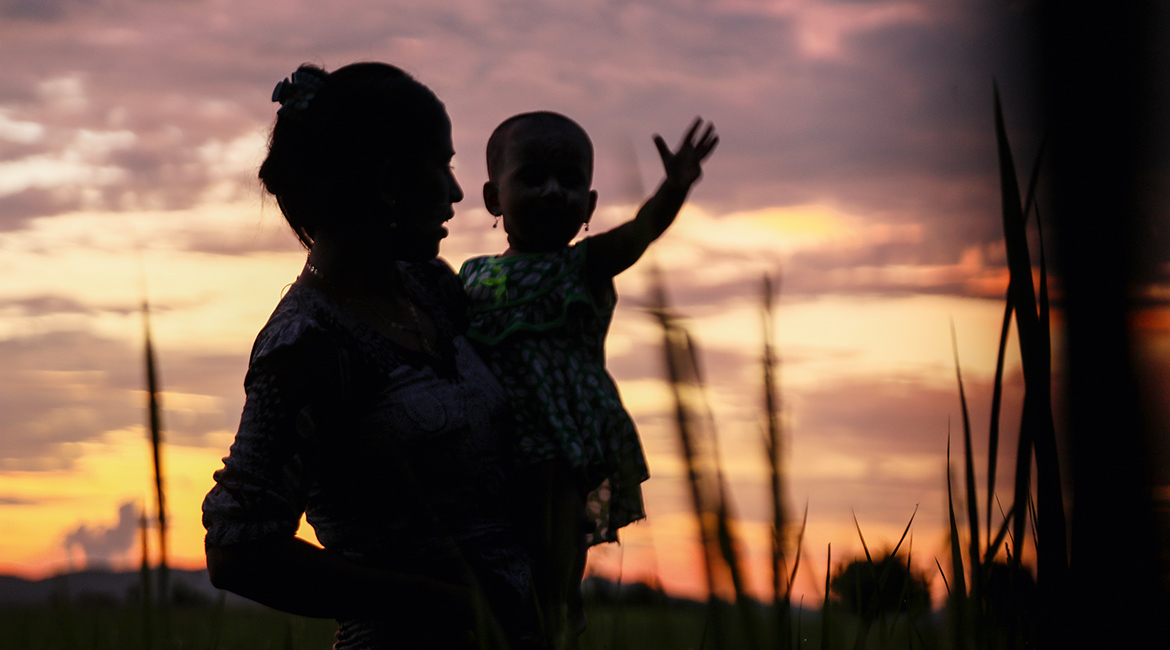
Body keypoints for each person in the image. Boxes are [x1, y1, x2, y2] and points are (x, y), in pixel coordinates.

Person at [202, 63, 542, 649]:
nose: (458, 191)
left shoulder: (432, 290)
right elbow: (239, 551)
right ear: (388, 180)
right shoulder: (307, 343)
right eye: (443, 165)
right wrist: (451, 606)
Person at [459, 111, 718, 644]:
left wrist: (673, 188)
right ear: (492, 198)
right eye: (532, 178)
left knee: (552, 561)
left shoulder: (583, 265)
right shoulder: (472, 276)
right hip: (493, 446)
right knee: (494, 560)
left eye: (570, 181)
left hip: (559, 445)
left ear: (591, 208)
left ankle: (560, 623)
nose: (553, 191)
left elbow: (640, 235)